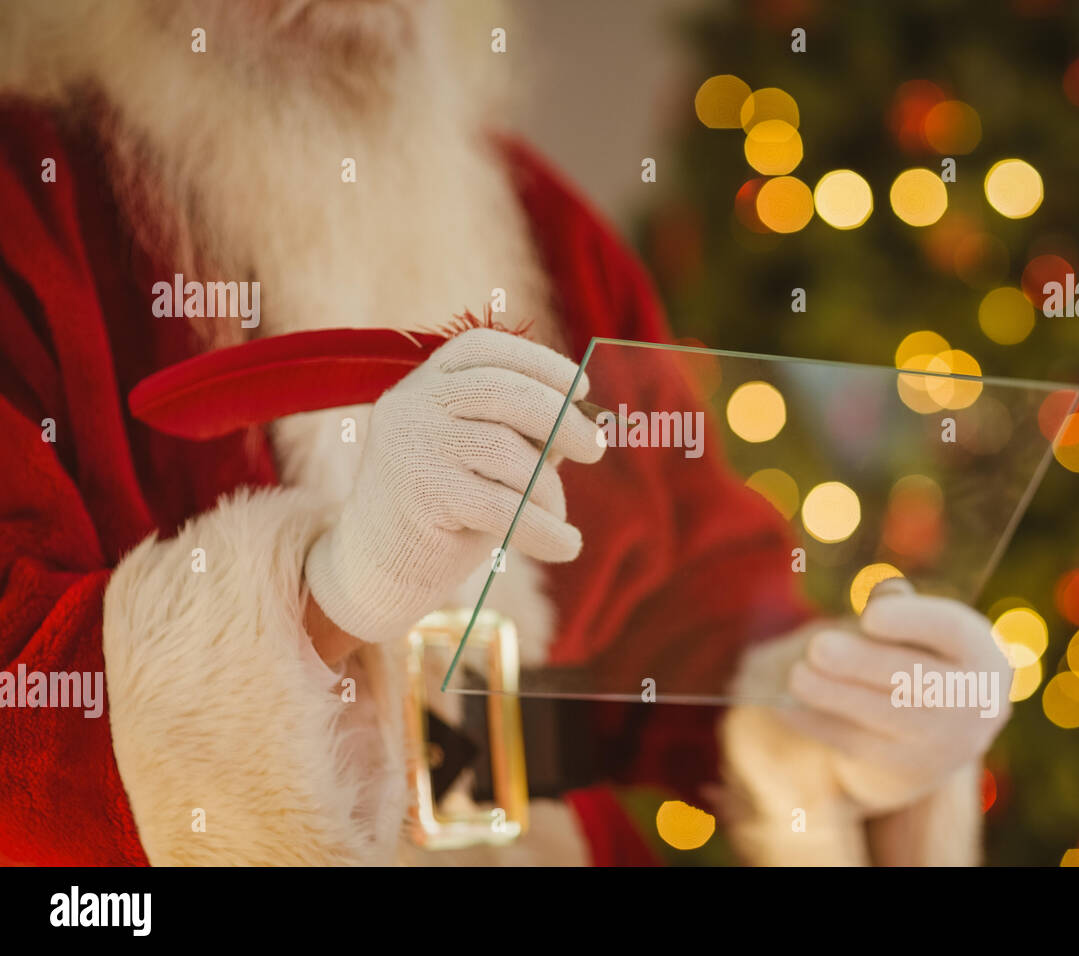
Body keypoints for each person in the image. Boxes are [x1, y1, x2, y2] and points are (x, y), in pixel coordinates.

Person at [0, 0, 1010, 866]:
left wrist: (840, 713)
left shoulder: (534, 215)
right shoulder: (28, 200)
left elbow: (690, 595)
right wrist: (325, 596)